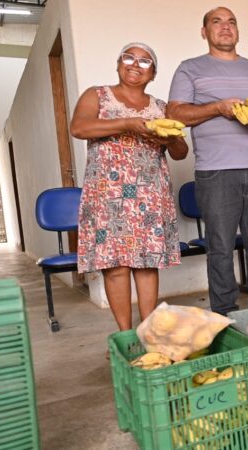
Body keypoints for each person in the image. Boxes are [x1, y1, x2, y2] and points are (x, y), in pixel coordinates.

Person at [167, 6, 248, 314]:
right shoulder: (189, 68)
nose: (225, 27)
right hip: (215, 172)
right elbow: (175, 113)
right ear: (204, 32)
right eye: (216, 22)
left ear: (238, 31)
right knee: (219, 247)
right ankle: (224, 313)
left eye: (231, 21)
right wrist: (217, 108)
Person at [70, 42, 188, 332]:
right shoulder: (97, 96)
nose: (135, 64)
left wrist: (168, 138)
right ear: (118, 64)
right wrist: (128, 123)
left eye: (144, 61)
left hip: (149, 194)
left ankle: (147, 331)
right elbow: (79, 128)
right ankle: (125, 334)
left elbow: (181, 152)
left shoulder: (161, 108)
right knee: (116, 267)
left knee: (147, 265)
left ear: (153, 73)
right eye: (129, 57)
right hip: (108, 195)